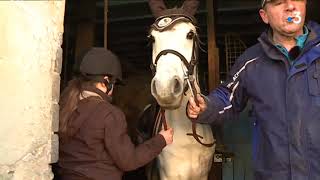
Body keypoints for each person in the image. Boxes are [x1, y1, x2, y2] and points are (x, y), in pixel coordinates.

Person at [187, 0, 320, 179]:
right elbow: (227, 98)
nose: (290, 6)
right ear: (264, 16)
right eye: (279, 2)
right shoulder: (250, 62)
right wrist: (206, 106)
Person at [58, 47, 174, 180]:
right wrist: (161, 140)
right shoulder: (109, 114)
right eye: (114, 84)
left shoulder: (65, 107)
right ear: (106, 81)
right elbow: (129, 161)